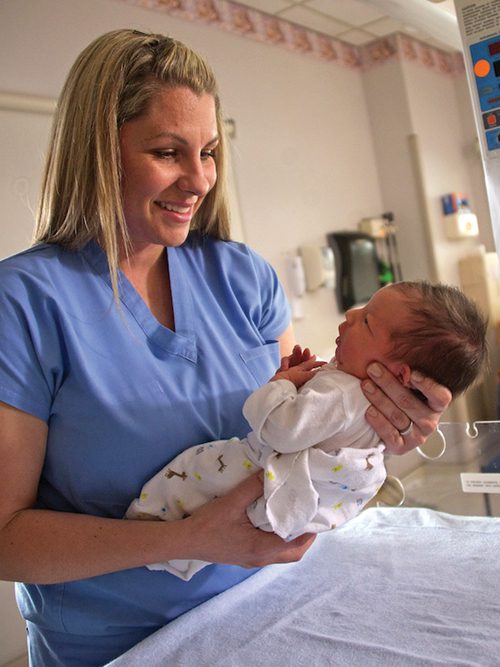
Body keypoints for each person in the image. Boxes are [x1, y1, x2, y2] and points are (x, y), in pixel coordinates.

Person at [0, 28, 452, 667]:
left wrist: (388, 418)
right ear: (100, 150)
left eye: (209, 152)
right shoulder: (25, 302)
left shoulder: (242, 277)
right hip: (120, 647)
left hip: (266, 608)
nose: (199, 180)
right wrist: (187, 540)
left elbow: (309, 422)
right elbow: (5, 537)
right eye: (167, 151)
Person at [127, 280, 487, 580]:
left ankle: (151, 520)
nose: (351, 314)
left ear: (400, 376)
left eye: (366, 323)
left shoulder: (344, 393)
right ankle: (173, 549)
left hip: (259, 476)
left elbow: (280, 429)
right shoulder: (368, 402)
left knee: (195, 471)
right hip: (278, 509)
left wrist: (282, 384)